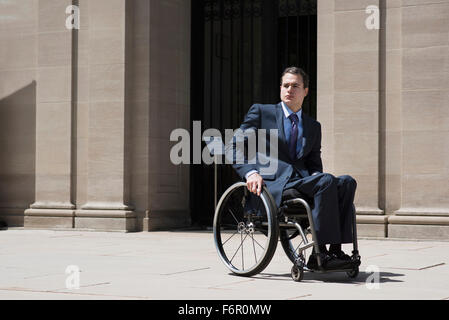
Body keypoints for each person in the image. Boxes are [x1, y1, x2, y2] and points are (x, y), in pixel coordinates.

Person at [232, 67, 357, 270]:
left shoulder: (313, 126)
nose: (289, 89)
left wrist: (318, 176)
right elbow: (235, 144)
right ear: (280, 88)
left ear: (305, 91)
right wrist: (250, 172)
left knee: (346, 182)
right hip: (273, 184)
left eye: (295, 86)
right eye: (286, 85)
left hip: (302, 182)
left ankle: (335, 251)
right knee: (325, 181)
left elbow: (314, 163)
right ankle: (320, 254)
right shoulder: (262, 112)